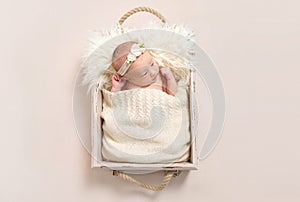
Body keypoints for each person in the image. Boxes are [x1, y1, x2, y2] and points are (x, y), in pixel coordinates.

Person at [110, 41, 178, 96]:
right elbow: (116, 103)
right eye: (145, 74)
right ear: (127, 78)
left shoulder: (160, 78)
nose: (153, 72)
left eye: (152, 64)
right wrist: (116, 88)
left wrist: (169, 78)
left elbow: (172, 94)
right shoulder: (128, 87)